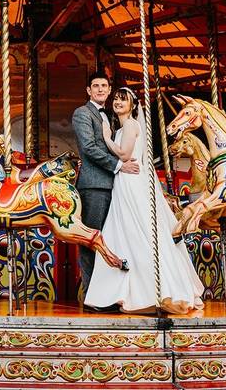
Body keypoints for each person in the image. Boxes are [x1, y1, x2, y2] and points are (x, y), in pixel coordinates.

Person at [84, 86, 205, 314]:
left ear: (132, 105)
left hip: (131, 182)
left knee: (136, 231)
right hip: (124, 181)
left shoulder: (130, 125)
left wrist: (107, 138)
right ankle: (125, 291)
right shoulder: (125, 126)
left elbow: (125, 154)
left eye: (124, 100)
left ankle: (149, 289)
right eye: (117, 99)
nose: (119, 102)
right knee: (123, 232)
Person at [72, 71, 140, 299]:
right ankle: (91, 293)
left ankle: (113, 291)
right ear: (89, 91)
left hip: (116, 186)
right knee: (92, 238)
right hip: (95, 184)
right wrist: (120, 166)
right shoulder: (82, 113)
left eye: (104, 86)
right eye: (96, 86)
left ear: (109, 90)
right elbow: (89, 148)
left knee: (113, 238)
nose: (100, 89)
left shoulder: (112, 117)